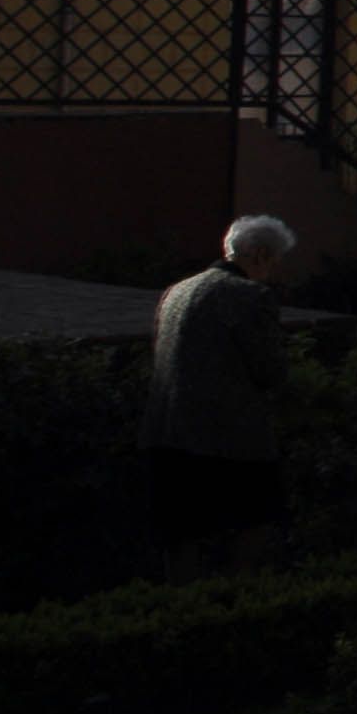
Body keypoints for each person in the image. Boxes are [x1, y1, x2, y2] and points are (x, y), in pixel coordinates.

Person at [143, 215, 293, 575]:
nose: (274, 273)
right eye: (275, 261)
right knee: (249, 530)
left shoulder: (176, 291)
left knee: (181, 542)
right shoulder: (251, 297)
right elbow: (270, 370)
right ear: (259, 254)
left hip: (165, 434)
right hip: (228, 439)